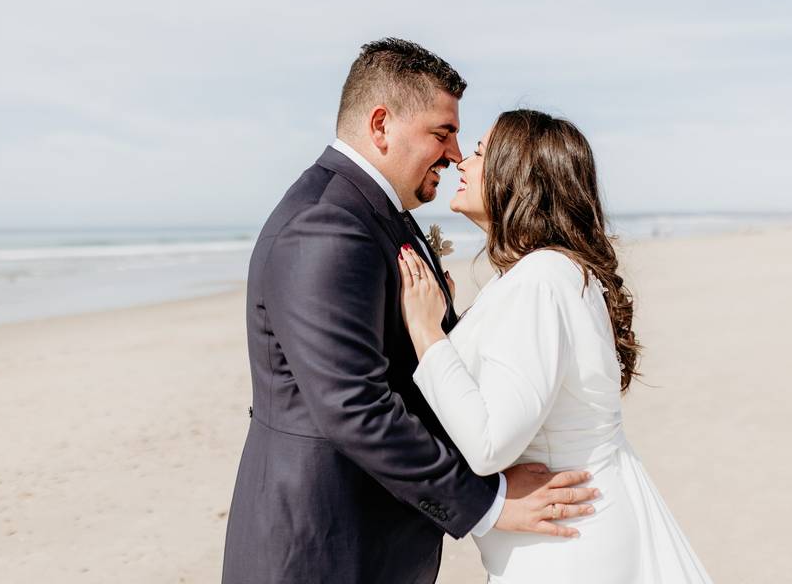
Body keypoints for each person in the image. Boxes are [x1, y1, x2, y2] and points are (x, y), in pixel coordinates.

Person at [221, 40, 597, 584]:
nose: (454, 153)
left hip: (376, 539)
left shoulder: (376, 211)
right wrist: (487, 502)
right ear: (381, 125)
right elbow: (354, 405)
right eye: (442, 133)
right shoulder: (328, 225)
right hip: (324, 545)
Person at [397, 109, 715, 583]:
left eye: (481, 152)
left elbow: (489, 445)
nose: (462, 162)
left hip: (566, 545)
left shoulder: (541, 280)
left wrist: (428, 335)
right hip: (575, 530)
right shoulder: (553, 272)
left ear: (519, 176)